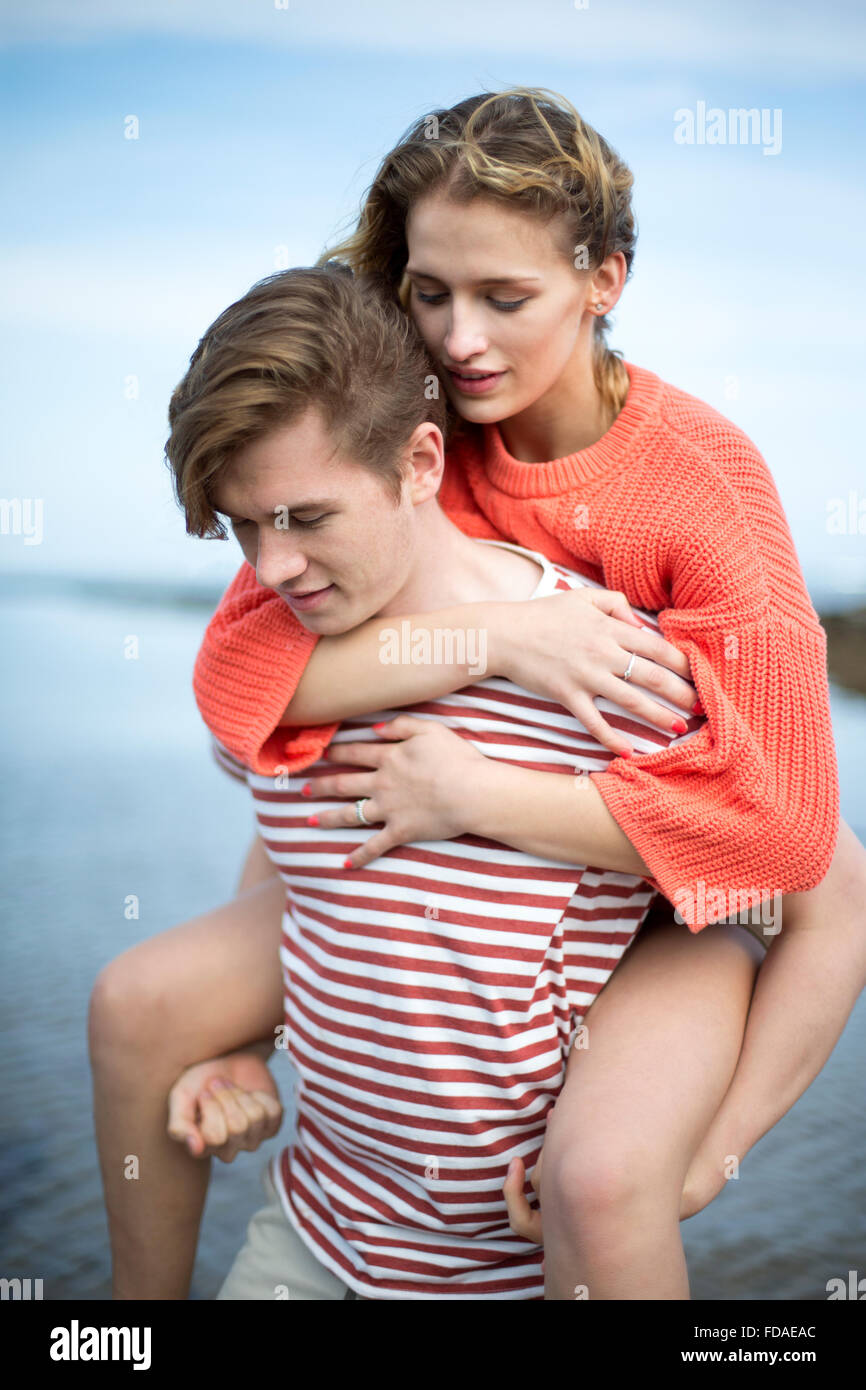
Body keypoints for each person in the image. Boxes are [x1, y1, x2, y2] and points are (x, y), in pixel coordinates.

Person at [184, 87, 866, 1297]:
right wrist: (496, 639)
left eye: (506, 298)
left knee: (624, 1162)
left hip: (671, 906)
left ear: (603, 279)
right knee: (143, 1000)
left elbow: (784, 837)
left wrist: (474, 792)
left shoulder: (699, 491)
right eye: (428, 291)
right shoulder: (401, 422)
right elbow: (243, 675)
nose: (458, 340)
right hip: (507, 885)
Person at [89, 260, 751, 1302]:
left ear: (416, 463)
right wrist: (243, 1046)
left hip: (503, 1273)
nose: (271, 568)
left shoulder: (600, 667)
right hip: (308, 1241)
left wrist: (697, 1156)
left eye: (305, 518)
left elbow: (785, 873)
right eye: (242, 527)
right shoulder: (286, 661)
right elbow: (294, 851)